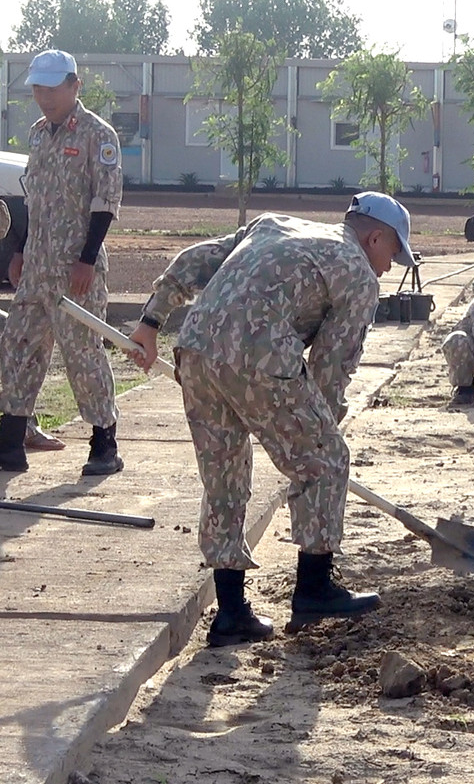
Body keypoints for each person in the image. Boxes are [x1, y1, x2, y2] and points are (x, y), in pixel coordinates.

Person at [127, 192, 417, 647]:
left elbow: (196, 260)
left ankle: (231, 615)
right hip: (260, 355)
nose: (390, 265)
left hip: (197, 347)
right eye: (392, 253)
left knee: (224, 476)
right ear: (374, 236)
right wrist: (317, 435)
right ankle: (314, 590)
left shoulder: (273, 224)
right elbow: (331, 366)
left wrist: (150, 322)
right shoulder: (358, 273)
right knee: (326, 460)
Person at [0, 50, 125, 476]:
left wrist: (87, 259)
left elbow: (104, 203)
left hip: (77, 267)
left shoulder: (98, 134)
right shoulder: (38, 134)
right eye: (37, 87)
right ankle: (11, 439)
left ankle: (104, 442)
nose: (44, 96)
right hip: (36, 265)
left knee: (82, 353)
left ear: (75, 86)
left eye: (52, 88)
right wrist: (20, 249)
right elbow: (34, 200)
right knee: (19, 346)